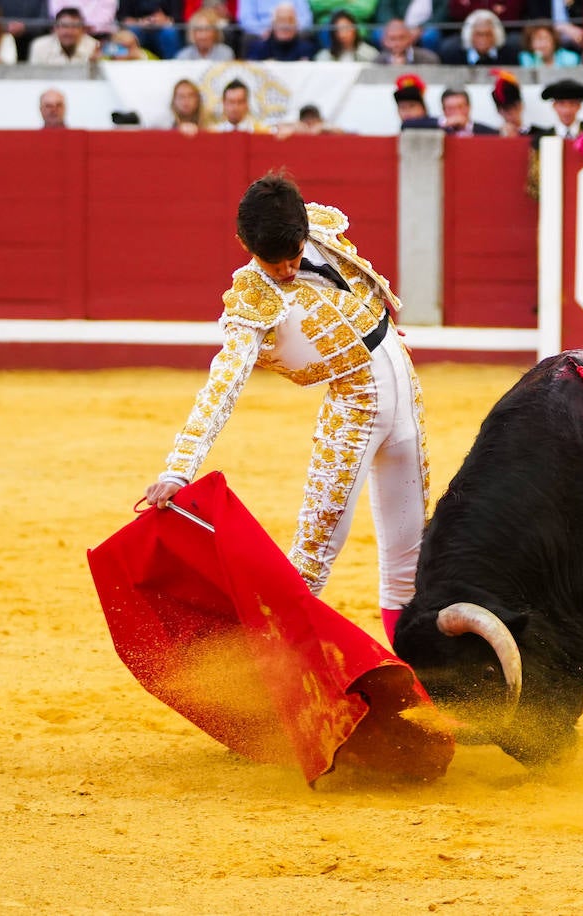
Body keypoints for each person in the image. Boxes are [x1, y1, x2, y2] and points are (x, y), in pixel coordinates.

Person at [143, 172, 428, 644]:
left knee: (409, 564)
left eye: (294, 255)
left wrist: (378, 331)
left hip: (406, 402)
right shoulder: (251, 300)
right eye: (273, 263)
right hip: (353, 413)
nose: (288, 270)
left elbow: (362, 288)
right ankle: (272, 674)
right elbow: (223, 385)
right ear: (243, 245)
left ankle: (417, 668)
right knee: (311, 562)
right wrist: (178, 470)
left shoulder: (321, 230)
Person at [440, 9, 514, 65]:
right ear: (469, 35)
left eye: (488, 34)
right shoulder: (453, 55)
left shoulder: (508, 55)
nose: (483, 39)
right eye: (479, 34)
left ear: (496, 36)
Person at [247, 2, 319, 59]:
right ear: (273, 24)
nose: (285, 26)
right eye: (281, 20)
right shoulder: (259, 50)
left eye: (289, 20)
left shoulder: (307, 50)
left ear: (296, 24)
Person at [28, 6, 100, 61]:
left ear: (83, 30)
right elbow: (35, 79)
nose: (69, 32)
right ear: (55, 28)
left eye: (74, 26)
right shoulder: (39, 46)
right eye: (64, 26)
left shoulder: (94, 46)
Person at [117, 0, 182, 59]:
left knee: (169, 32)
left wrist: (164, 20)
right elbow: (122, 16)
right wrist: (139, 21)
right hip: (137, 26)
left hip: (163, 27)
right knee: (130, 33)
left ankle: (172, 66)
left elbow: (176, 16)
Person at [315, 9, 380, 61]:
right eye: (338, 30)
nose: (342, 35)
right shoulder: (324, 56)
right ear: (333, 33)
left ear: (354, 29)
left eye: (346, 29)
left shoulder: (370, 54)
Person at [490, 70, 530, 136]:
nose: (510, 114)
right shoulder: (493, 135)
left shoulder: (533, 134)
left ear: (521, 106)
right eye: (506, 110)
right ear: (499, 111)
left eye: (514, 107)